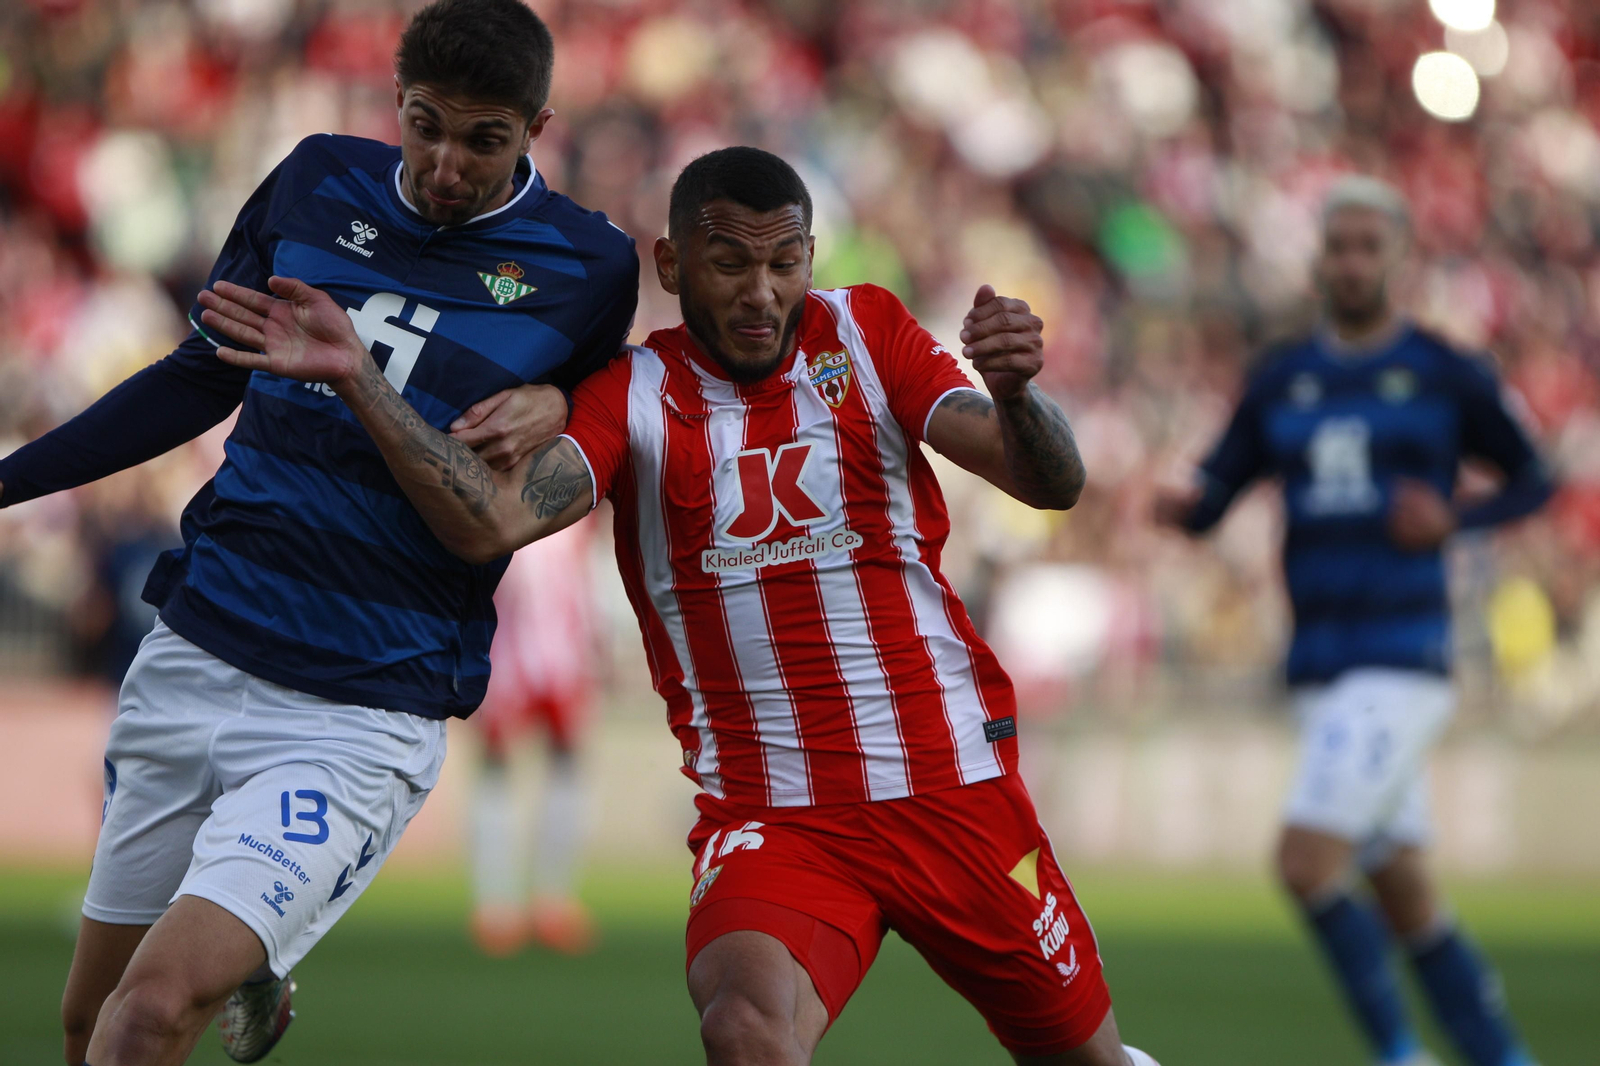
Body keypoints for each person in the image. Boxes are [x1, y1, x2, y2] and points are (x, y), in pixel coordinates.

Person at [198, 145, 1159, 1066]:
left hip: (951, 788)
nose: (762, 291)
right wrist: (359, 376)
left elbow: (1049, 482)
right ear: (672, 264)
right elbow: (491, 521)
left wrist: (1016, 396)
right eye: (731, 263)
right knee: (744, 1028)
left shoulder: (869, 333)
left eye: (785, 263)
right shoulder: (634, 393)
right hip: (776, 819)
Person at [0, 0, 638, 1062]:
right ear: (397, 101)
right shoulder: (316, 179)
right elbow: (200, 373)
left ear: (536, 128)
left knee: (148, 1015)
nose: (446, 164)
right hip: (200, 645)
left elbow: (623, 408)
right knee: (86, 1020)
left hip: (362, 701)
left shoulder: (587, 265)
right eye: (425, 125)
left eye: (484, 140)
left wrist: (569, 398)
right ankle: (256, 951)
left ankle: (249, 941)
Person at [1154, 176, 1551, 1066]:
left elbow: (1534, 476)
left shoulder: (1445, 371)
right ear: (1318, 260)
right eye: (1339, 246)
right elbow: (1220, 485)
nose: (1352, 262)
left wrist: (1457, 518)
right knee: (1407, 894)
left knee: (1304, 863)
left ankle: (1400, 1056)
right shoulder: (1283, 378)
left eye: (1370, 246)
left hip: (1402, 654)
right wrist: (1186, 509)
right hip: (1319, 661)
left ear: (1399, 258)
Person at [468, 517, 603, 956]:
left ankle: (553, 902)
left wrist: (597, 641)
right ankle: (496, 907)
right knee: (496, 767)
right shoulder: (503, 501)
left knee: (567, 766)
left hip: (565, 654)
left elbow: (588, 574)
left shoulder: (580, 512)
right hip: (506, 653)